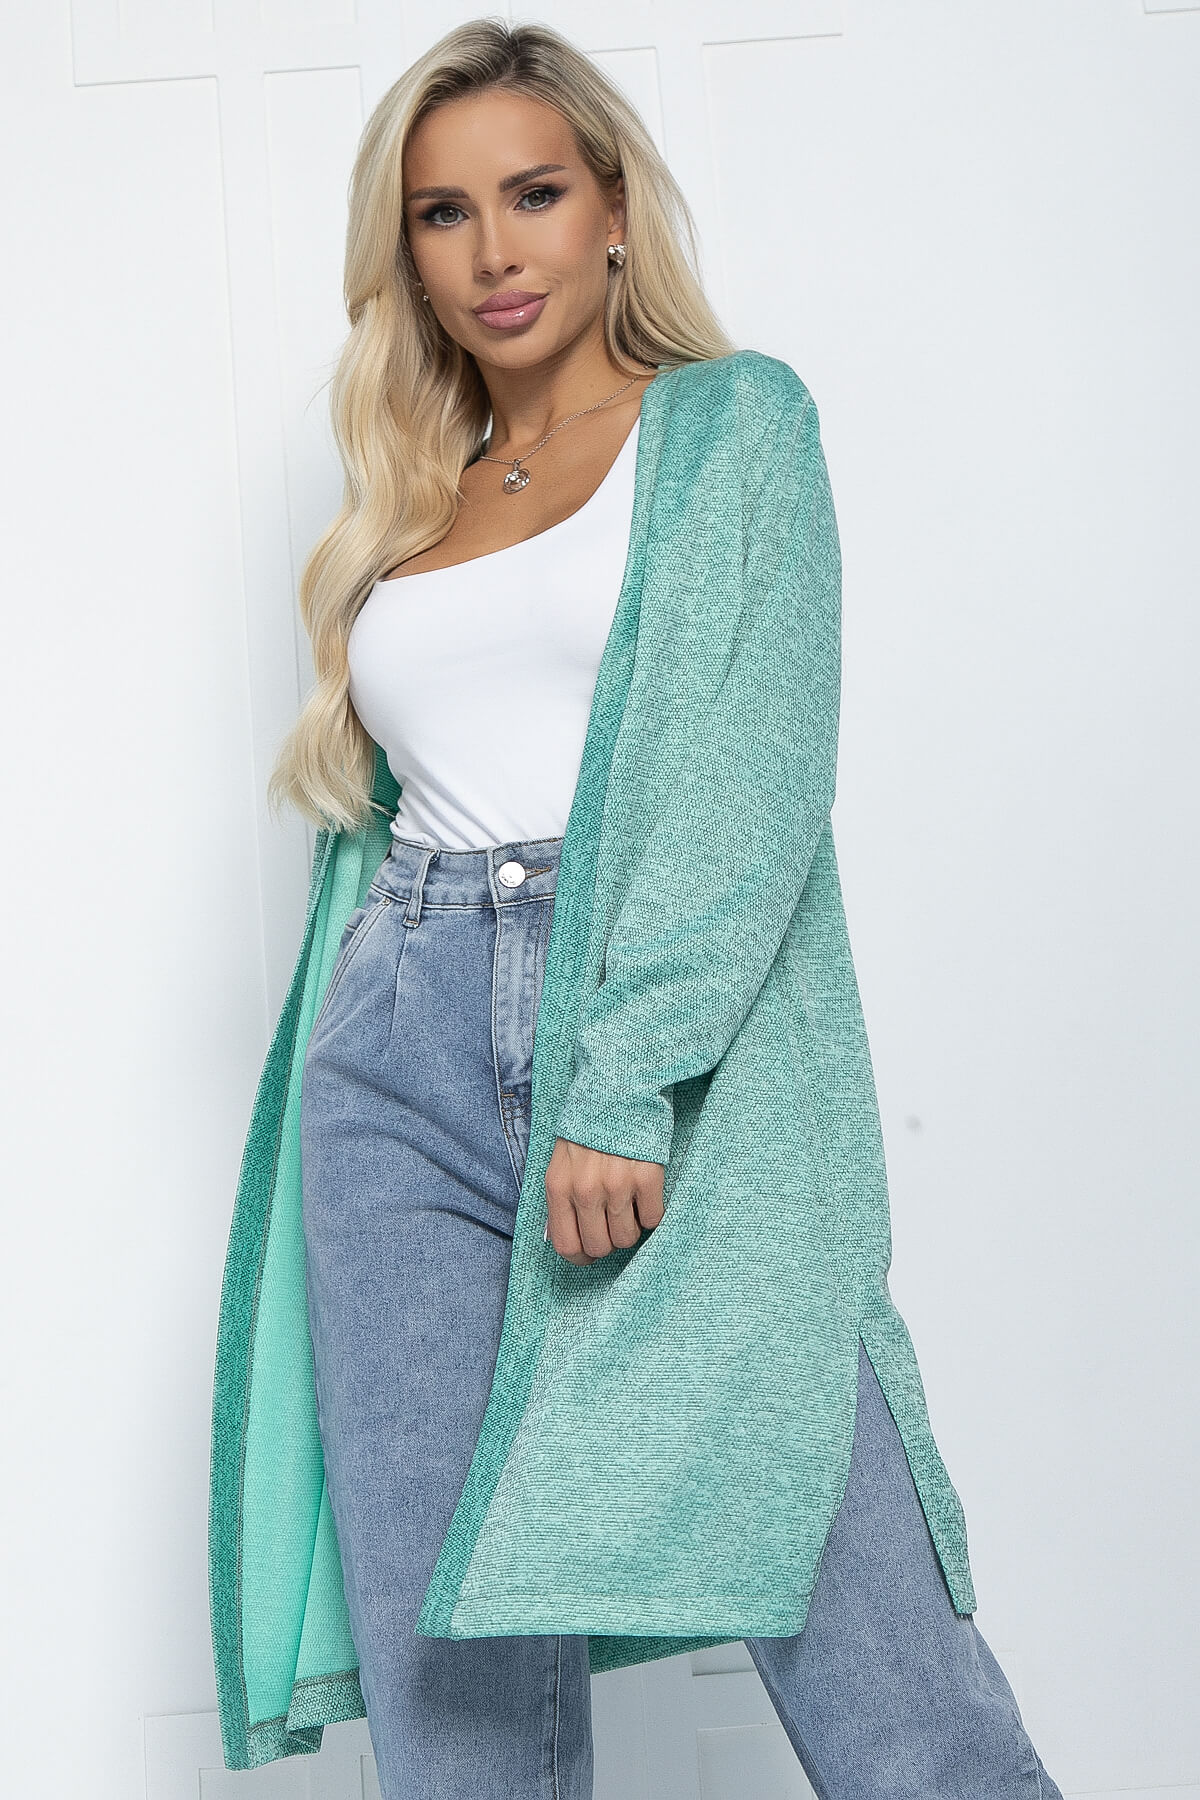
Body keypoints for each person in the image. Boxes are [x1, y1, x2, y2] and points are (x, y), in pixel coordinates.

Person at [212, 17, 1065, 1799]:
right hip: (398, 1064)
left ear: (614, 210)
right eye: (444, 214)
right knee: (446, 1658)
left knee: (869, 1638)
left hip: (668, 1058)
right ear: (406, 256)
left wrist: (626, 1079)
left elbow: (754, 771)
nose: (494, 251)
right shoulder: (412, 505)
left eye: (534, 194)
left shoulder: (730, 426)